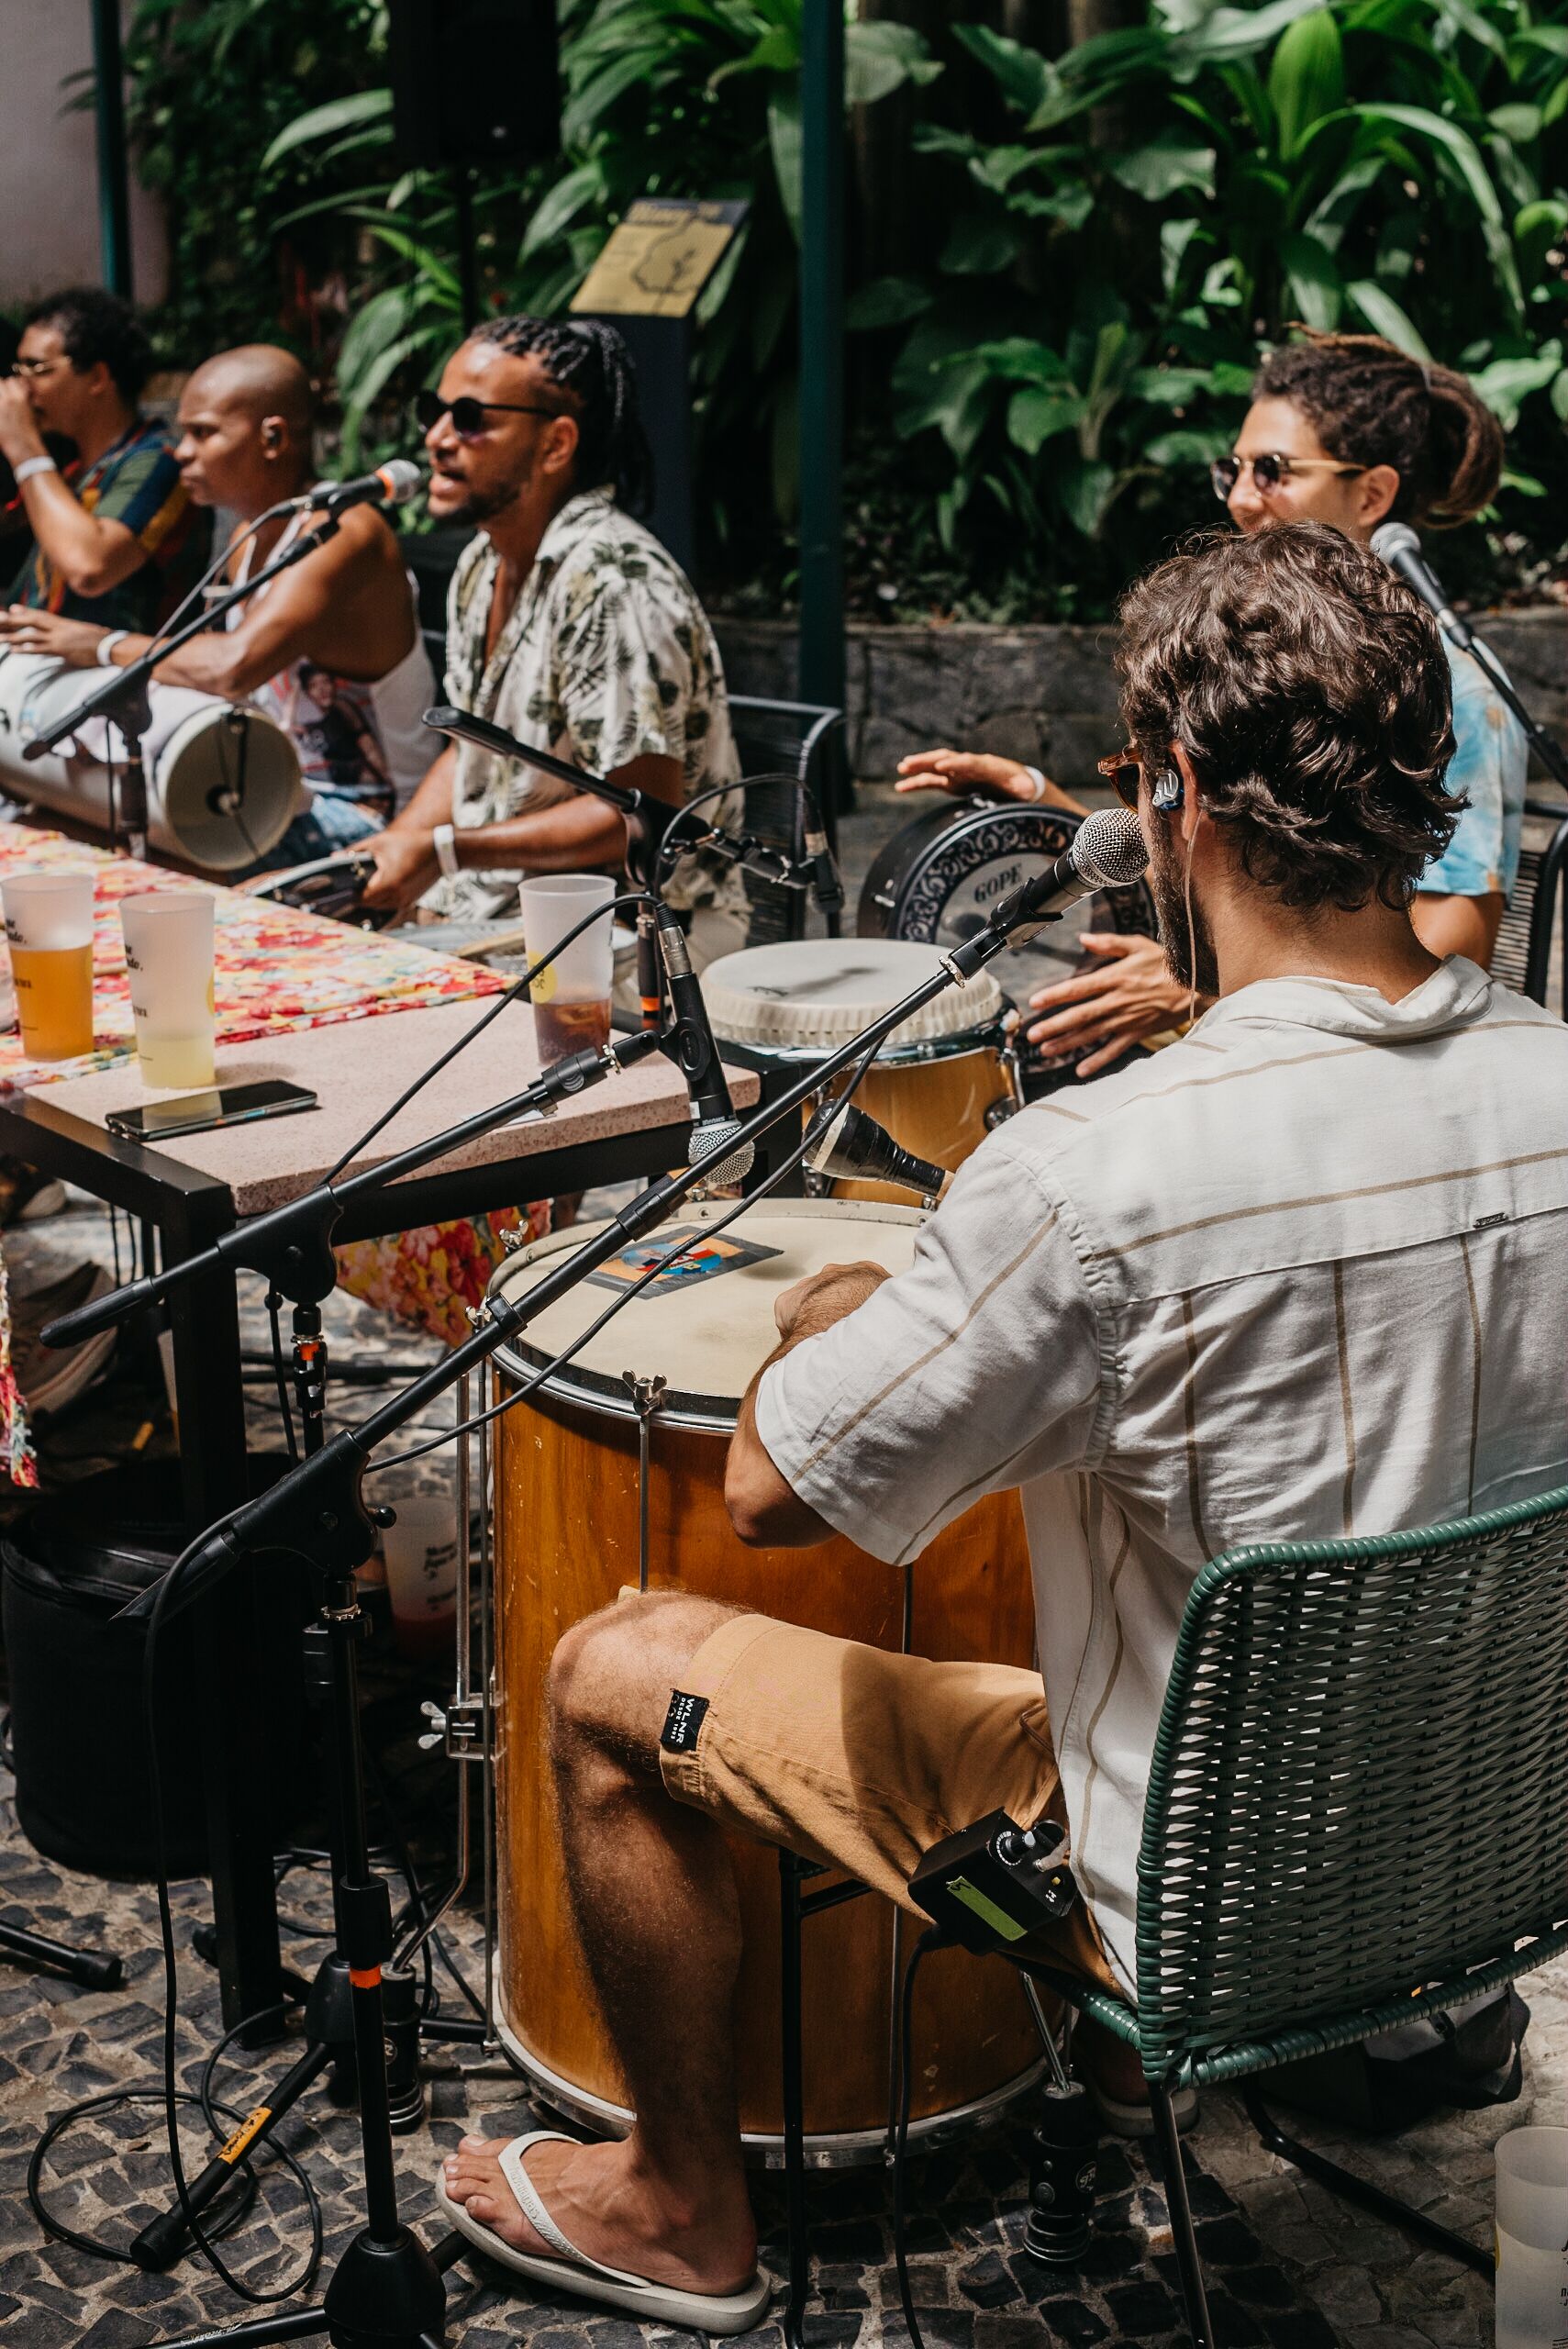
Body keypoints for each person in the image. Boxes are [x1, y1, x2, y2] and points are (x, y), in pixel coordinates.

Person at [432, 522, 1568, 2321]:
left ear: (1172, 795)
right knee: (1184, 1619)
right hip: (1497, 1851)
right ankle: (1117, 2112)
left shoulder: (1094, 1175)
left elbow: (776, 1475)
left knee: (606, 1665)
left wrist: (859, 1301)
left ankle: (673, 2203)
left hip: (1214, 1908)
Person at [899, 330, 1529, 1076]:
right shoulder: (1262, 653)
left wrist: (1183, 987)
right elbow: (1231, 836)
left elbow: (1456, 945)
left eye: (1272, 471)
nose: (1238, 496)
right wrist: (1047, 810)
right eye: (1232, 468)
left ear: (1372, 495)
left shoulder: (1459, 691)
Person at [357, 315, 747, 970]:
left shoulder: (613, 581)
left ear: (555, 444)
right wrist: (398, 844)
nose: (437, 438)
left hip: (648, 935)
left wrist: (446, 851)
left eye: (471, 417)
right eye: (435, 412)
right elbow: (468, 751)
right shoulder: (482, 564)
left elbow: (639, 816)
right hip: (505, 912)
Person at [0, 344, 434, 866]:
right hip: (273, 791)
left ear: (272, 437)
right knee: (44, 827)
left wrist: (100, 645)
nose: (182, 451)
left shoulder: (344, 532)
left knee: (103, 857)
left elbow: (232, 666)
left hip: (366, 817)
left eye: (203, 433)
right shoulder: (251, 540)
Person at [0, 285, 206, 635]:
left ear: (97, 377)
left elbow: (89, 567)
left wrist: (24, 450)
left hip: (125, 678)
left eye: (36, 368)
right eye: (18, 371)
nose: (20, 388)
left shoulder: (161, 461)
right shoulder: (71, 473)